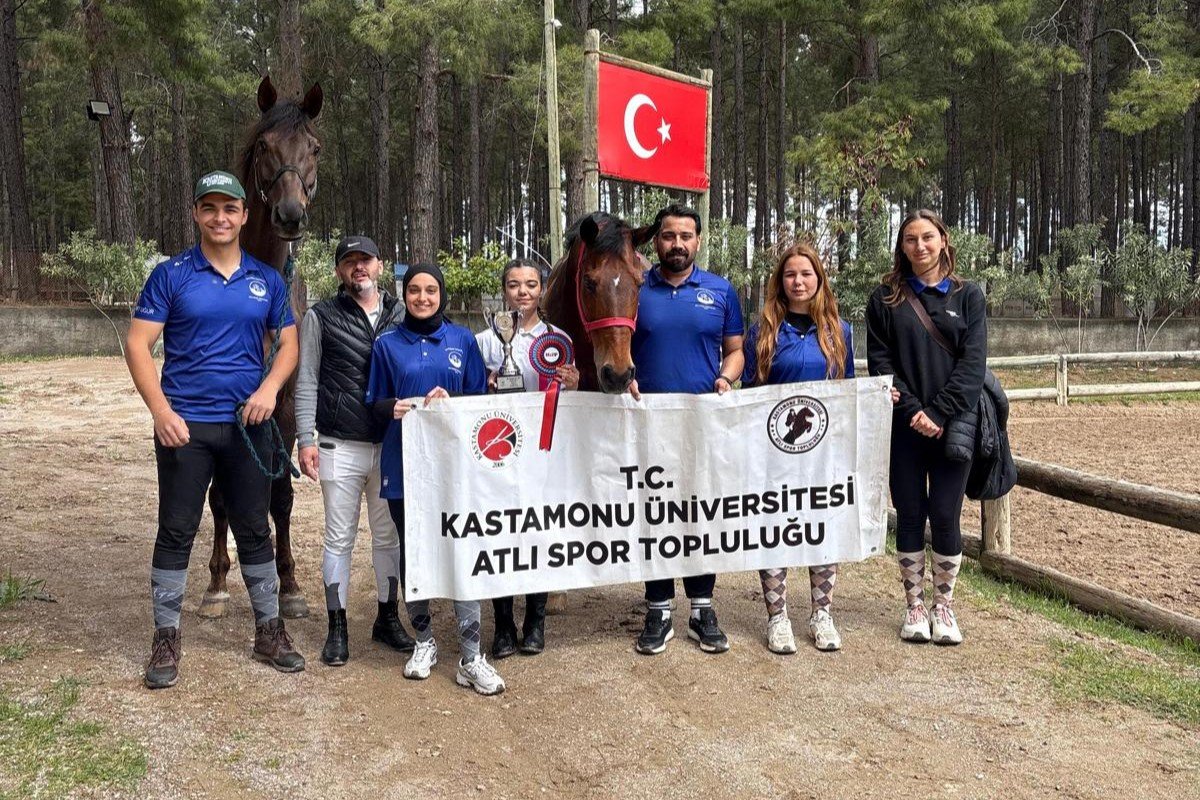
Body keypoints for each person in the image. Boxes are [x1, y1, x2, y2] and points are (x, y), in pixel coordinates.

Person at [126, 170, 304, 689]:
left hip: (248, 428)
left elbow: (288, 345)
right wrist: (161, 411)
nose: (220, 218)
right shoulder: (170, 274)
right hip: (186, 427)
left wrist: (269, 390)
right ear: (197, 214)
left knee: (254, 528)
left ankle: (270, 630)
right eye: (210, 208)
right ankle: (166, 637)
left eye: (230, 209)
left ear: (246, 216)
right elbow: (139, 345)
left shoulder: (266, 280)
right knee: (176, 531)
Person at [366, 263, 507, 695]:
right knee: (415, 553)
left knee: (462, 550)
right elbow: (372, 402)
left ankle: (470, 655)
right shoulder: (387, 344)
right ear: (403, 295)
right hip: (404, 464)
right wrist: (394, 406)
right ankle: (424, 640)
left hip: (454, 468)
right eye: (414, 290)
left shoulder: (461, 340)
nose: (423, 298)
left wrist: (453, 400)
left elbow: (481, 402)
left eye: (431, 290)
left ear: (441, 295)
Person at [628, 203, 745, 655]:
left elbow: (734, 350)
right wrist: (628, 375)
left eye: (686, 236)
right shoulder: (637, 289)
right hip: (647, 422)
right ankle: (658, 608)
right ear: (656, 242)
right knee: (654, 514)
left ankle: (701, 608)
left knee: (701, 514)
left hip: (702, 423)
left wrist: (728, 376)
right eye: (669, 236)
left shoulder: (720, 290)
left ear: (698, 240)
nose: (677, 244)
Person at [866, 209, 987, 646]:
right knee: (911, 515)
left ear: (943, 240)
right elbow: (881, 363)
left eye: (927, 238)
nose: (920, 246)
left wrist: (939, 412)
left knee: (946, 515)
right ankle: (914, 604)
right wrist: (916, 411)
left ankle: (944, 606)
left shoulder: (968, 296)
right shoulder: (885, 300)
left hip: (953, 427)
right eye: (911, 239)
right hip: (904, 427)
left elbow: (973, 366)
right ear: (901, 246)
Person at [295, 235, 415, 667]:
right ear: (339, 272)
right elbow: (306, 378)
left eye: (365, 259)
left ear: (380, 266)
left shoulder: (403, 314)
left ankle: (387, 616)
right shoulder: (321, 316)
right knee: (339, 538)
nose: (358, 268)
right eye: (349, 262)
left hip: (390, 445)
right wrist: (305, 439)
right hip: (338, 443)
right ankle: (337, 625)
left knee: (388, 537)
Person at [741, 243, 856, 654]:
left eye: (806, 274)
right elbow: (751, 394)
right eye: (790, 274)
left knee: (821, 527)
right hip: (775, 453)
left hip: (823, 452)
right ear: (780, 281)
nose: (798, 281)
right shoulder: (764, 331)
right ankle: (777, 616)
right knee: (775, 528)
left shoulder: (839, 332)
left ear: (819, 279)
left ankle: (821, 613)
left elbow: (847, 393)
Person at [474, 258, 579, 659]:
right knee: (500, 535)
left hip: (544, 451)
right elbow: (473, 394)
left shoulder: (558, 338)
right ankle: (502, 625)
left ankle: (535, 621)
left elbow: (573, 393)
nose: (523, 292)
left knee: (539, 532)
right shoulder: (485, 340)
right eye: (515, 285)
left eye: (531, 284)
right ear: (504, 290)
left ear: (542, 290)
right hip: (499, 453)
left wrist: (573, 382)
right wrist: (485, 384)